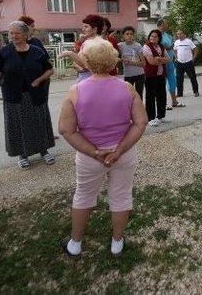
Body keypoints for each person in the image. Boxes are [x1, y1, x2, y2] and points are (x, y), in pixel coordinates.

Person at [59, 39, 147, 257]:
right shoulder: (127, 88)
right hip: (123, 154)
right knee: (121, 195)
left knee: (84, 195)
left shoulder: (75, 91)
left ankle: (75, 243)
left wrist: (95, 152)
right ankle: (117, 242)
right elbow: (141, 122)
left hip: (90, 157)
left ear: (85, 60)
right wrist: (118, 151)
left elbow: (66, 130)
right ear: (112, 60)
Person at [0, 21, 55, 169]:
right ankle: (22, 155)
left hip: (35, 95)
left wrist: (39, 80)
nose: (13, 36)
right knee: (17, 125)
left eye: (17, 33)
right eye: (11, 33)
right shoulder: (4, 52)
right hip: (13, 96)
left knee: (38, 122)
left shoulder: (37, 51)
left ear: (26, 34)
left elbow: (49, 70)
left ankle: (43, 151)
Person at [59, 15, 105, 82]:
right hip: (86, 78)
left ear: (95, 29)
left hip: (92, 81)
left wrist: (70, 54)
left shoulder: (97, 43)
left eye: (86, 26)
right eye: (83, 26)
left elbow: (89, 66)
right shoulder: (89, 42)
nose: (83, 29)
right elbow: (82, 61)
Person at [143, 30, 170, 126]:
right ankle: (150, 118)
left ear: (159, 38)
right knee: (150, 97)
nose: (152, 38)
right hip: (150, 75)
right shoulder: (146, 47)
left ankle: (160, 116)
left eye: (155, 36)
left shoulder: (161, 47)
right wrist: (161, 60)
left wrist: (159, 59)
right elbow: (151, 62)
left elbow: (168, 59)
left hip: (160, 75)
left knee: (162, 95)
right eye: (151, 36)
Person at [157, 19, 183, 109]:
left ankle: (174, 101)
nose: (167, 26)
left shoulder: (166, 35)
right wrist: (168, 46)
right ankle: (163, 104)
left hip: (170, 61)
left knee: (172, 81)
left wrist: (170, 46)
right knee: (161, 83)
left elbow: (171, 45)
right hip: (162, 62)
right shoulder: (156, 34)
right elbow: (158, 46)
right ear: (160, 25)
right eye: (165, 24)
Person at [118, 26, 146, 98]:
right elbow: (116, 57)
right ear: (123, 36)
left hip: (139, 74)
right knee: (128, 96)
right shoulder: (120, 46)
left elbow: (143, 63)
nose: (129, 36)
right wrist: (121, 60)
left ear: (134, 35)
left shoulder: (138, 45)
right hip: (128, 75)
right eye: (127, 34)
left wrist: (130, 62)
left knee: (139, 96)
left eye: (131, 34)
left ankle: (139, 109)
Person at [174, 30, 200, 98]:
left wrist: (193, 58)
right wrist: (176, 58)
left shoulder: (189, 41)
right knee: (179, 79)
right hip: (179, 63)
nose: (179, 35)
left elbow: (196, 49)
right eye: (178, 34)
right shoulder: (176, 42)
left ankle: (196, 92)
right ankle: (180, 93)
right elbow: (174, 50)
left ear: (184, 34)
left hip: (188, 62)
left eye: (180, 34)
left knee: (192, 77)